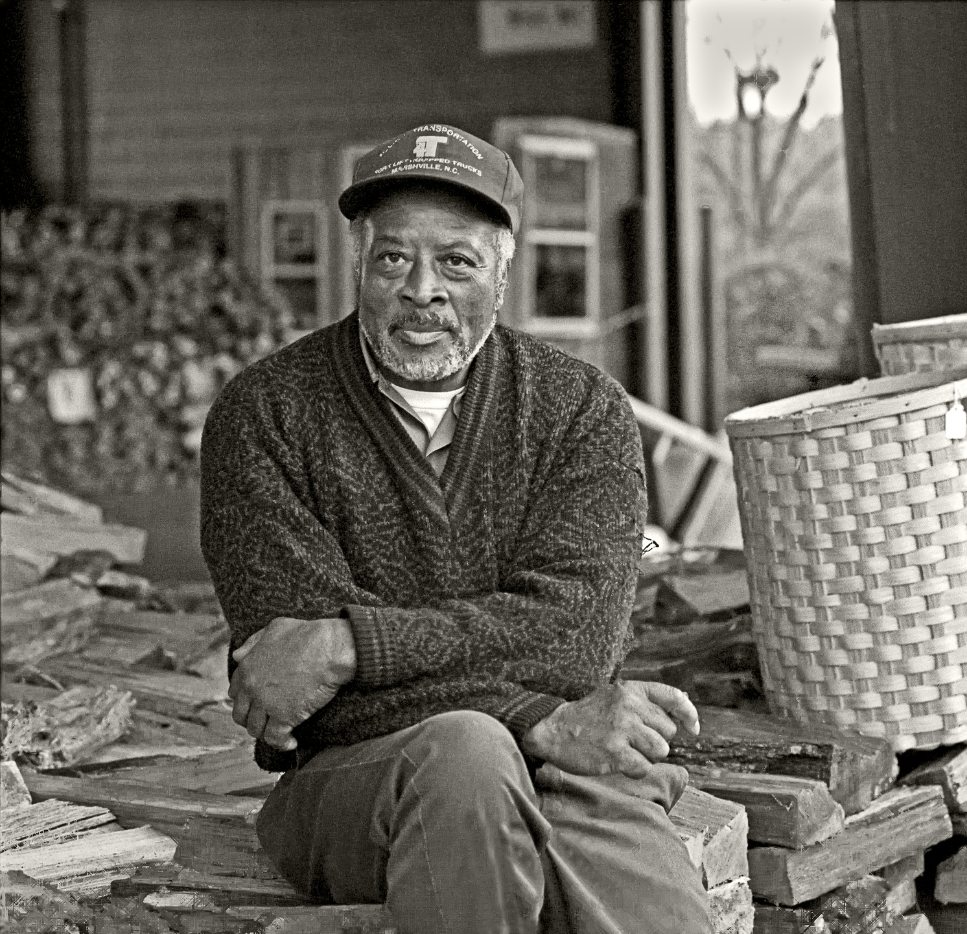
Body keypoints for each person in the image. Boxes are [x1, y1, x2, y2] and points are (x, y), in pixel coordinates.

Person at [199, 123, 712, 934]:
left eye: (457, 261)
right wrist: (536, 715)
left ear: (502, 275)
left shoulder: (580, 409)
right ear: (360, 267)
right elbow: (295, 698)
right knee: (467, 752)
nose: (423, 289)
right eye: (394, 259)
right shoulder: (265, 414)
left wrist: (350, 646)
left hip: (566, 770)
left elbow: (575, 640)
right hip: (352, 782)